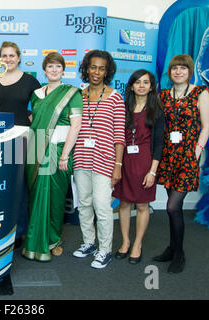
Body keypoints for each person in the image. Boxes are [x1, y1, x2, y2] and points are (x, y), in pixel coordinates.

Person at [22, 52, 83, 262]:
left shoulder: (72, 93)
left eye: (58, 66)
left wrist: (66, 154)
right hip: (36, 148)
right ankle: (34, 239)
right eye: (50, 66)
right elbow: (34, 119)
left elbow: (76, 126)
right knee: (36, 196)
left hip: (58, 150)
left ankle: (54, 239)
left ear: (63, 70)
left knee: (56, 198)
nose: (54, 70)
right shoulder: (36, 94)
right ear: (45, 70)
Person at [154, 54, 209, 273]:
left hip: (188, 156)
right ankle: (172, 248)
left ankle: (179, 254)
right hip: (168, 155)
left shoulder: (200, 93)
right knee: (173, 207)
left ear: (189, 71)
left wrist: (197, 151)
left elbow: (206, 125)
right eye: (175, 68)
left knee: (172, 207)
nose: (178, 72)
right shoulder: (164, 95)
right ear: (170, 72)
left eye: (183, 68)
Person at [72, 50, 125, 269]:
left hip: (104, 161)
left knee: (102, 207)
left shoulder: (115, 97)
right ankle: (88, 243)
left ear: (107, 71)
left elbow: (119, 136)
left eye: (101, 68)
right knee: (84, 204)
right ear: (86, 68)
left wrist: (118, 167)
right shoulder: (78, 95)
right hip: (81, 159)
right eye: (93, 67)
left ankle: (105, 250)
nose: (96, 72)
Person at [0, 41, 41, 248]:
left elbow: (41, 108)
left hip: (22, 141)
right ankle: (0, 227)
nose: (8, 59)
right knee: (0, 186)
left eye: (12, 55)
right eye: (4, 55)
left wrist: (32, 119)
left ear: (19, 57)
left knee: (20, 188)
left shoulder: (30, 81)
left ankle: (19, 232)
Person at [112, 70, 165, 264]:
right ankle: (125, 242)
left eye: (146, 82)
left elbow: (159, 143)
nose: (141, 86)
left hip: (145, 162)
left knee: (142, 205)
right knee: (124, 203)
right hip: (124, 160)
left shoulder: (156, 110)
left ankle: (137, 244)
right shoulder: (123, 108)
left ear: (151, 87)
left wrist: (152, 171)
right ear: (132, 85)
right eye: (137, 82)